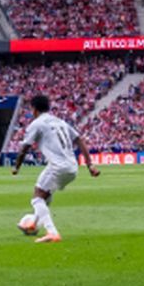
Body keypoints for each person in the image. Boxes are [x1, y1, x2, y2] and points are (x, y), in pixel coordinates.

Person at [10, 94, 98, 245]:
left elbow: (25, 147)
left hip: (58, 167)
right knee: (45, 195)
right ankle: (33, 224)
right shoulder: (60, 122)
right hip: (72, 167)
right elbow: (79, 140)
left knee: (37, 198)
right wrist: (90, 165)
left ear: (34, 109)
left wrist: (16, 167)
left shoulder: (37, 124)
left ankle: (52, 232)